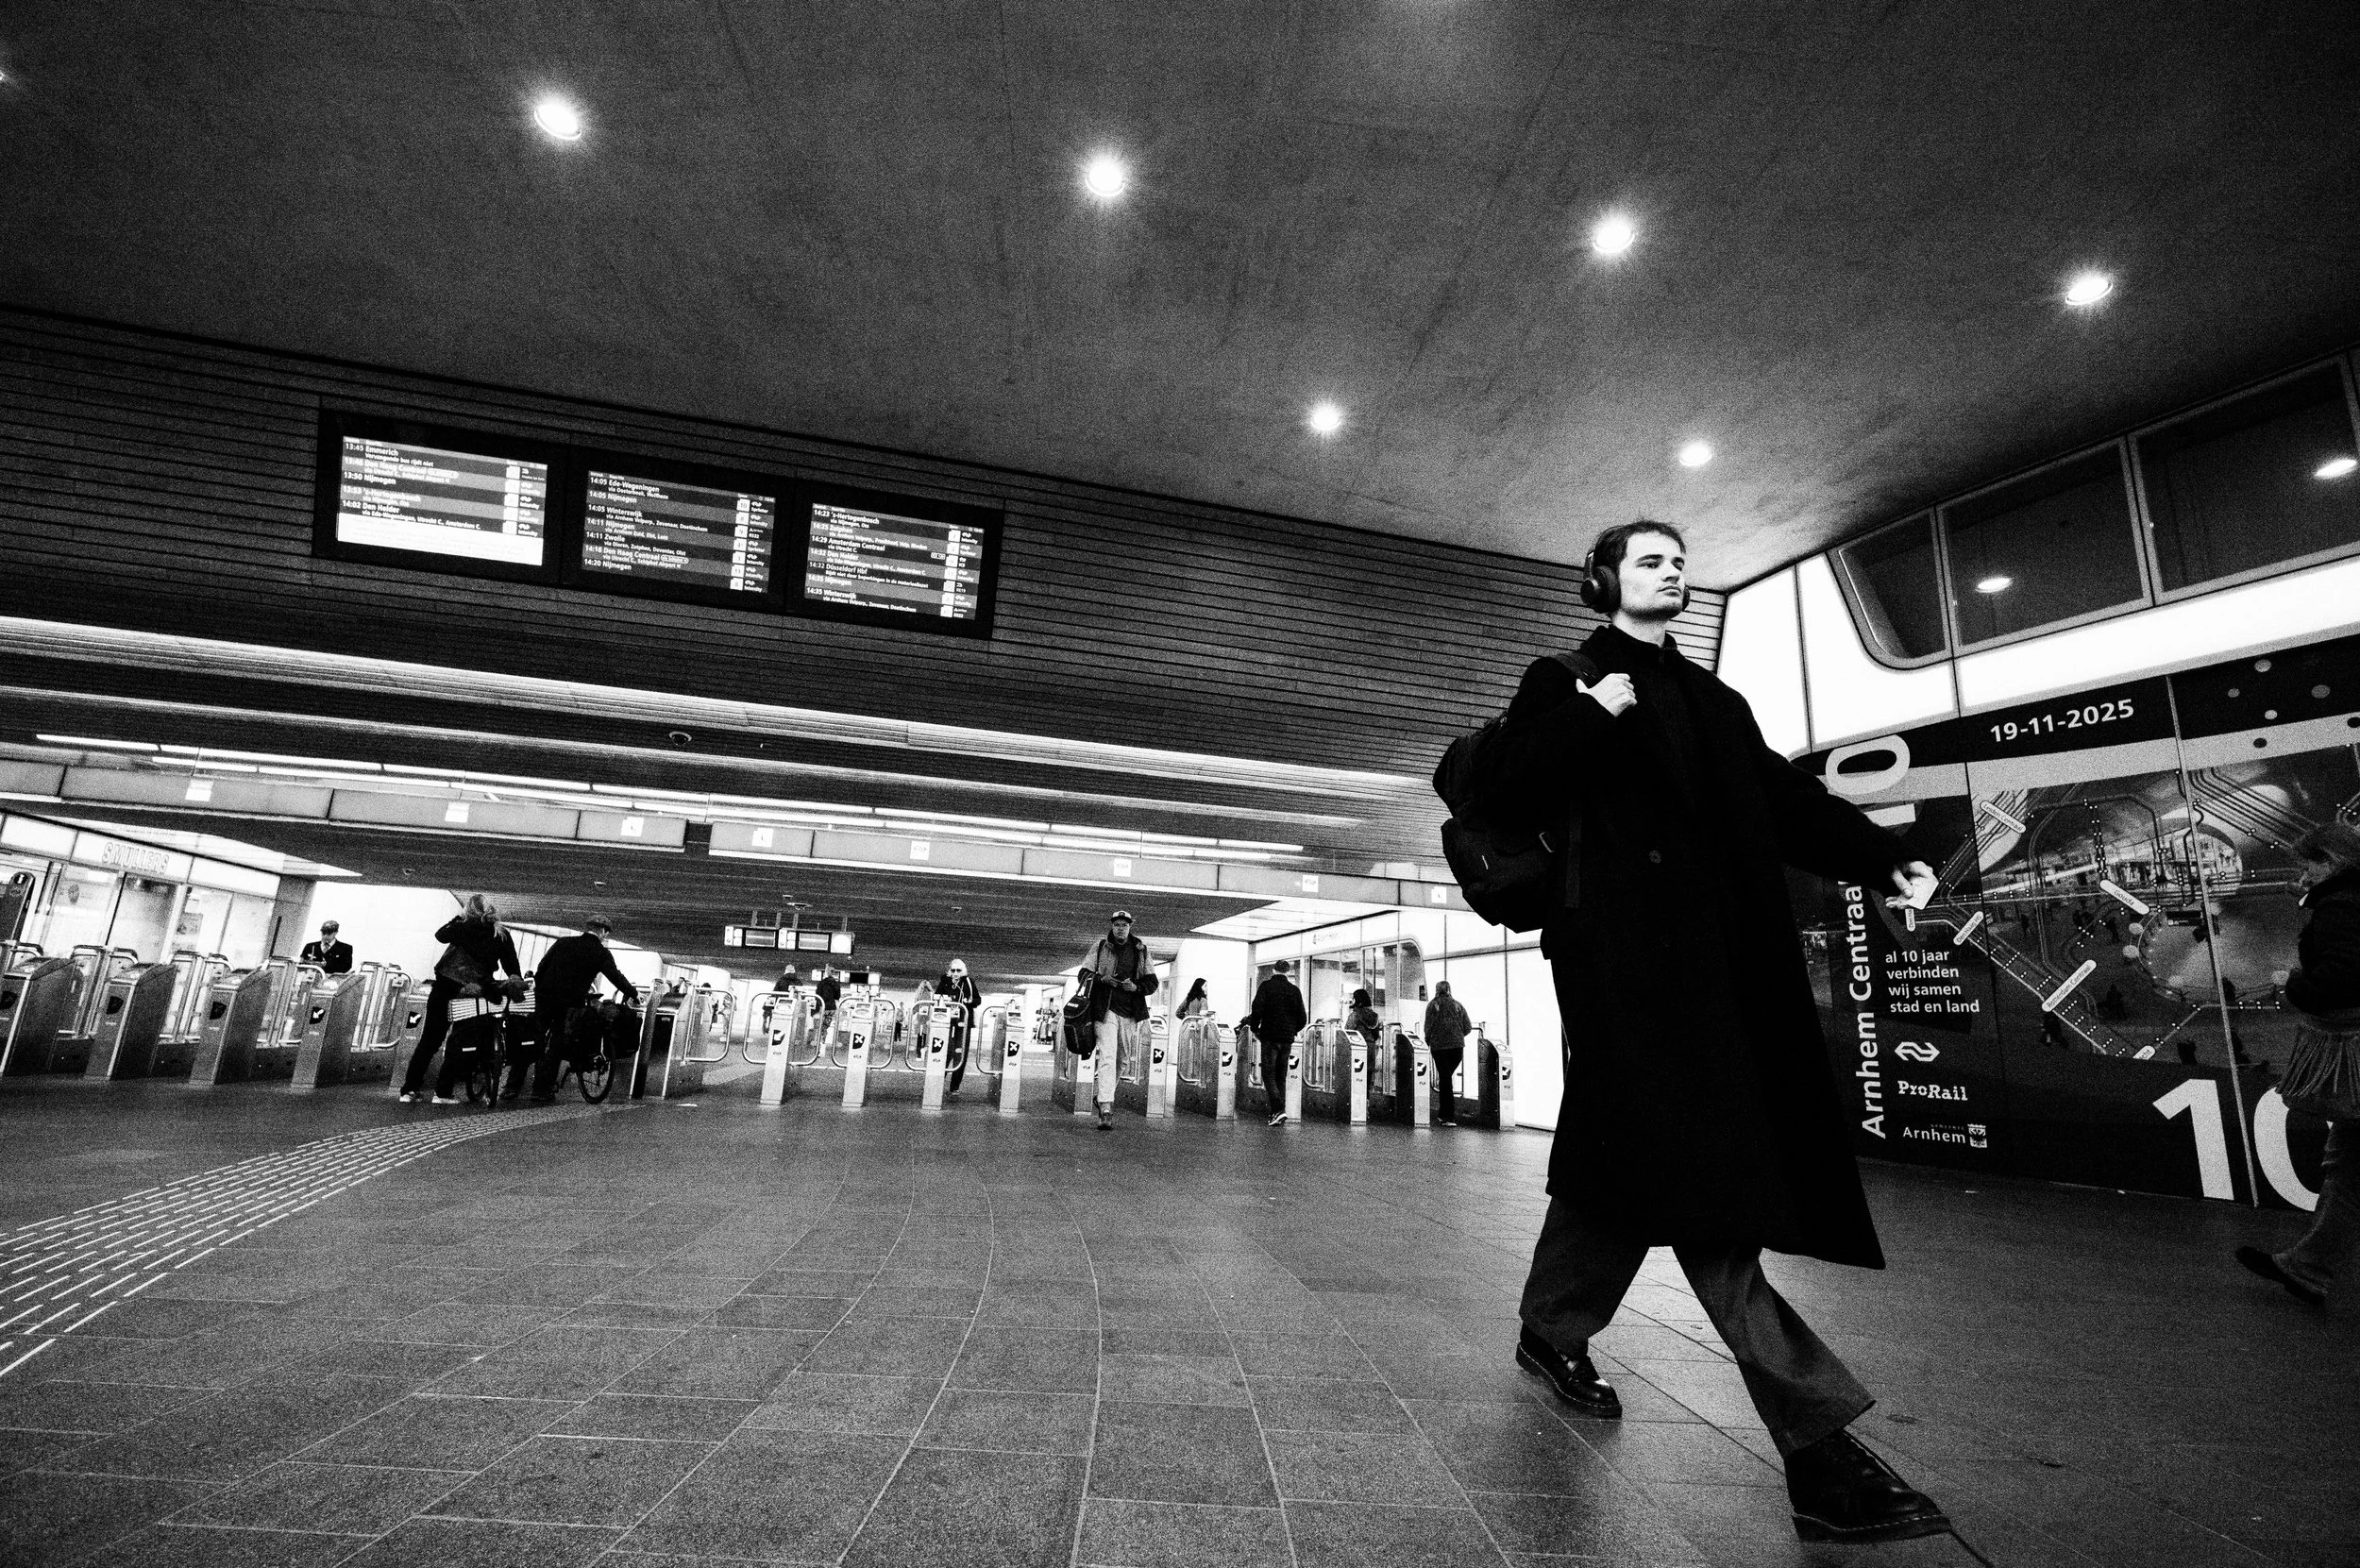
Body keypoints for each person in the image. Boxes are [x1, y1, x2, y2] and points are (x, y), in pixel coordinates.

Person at [1480, 519, 1949, 1545]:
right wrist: (1588, 718)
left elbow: (1784, 800)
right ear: (1601, 579)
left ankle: (1550, 1328)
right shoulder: (1565, 679)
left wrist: (1879, 856)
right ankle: (1816, 1443)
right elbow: (1504, 786)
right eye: (1650, 559)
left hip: (1718, 972)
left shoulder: (1715, 701)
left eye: (1679, 561)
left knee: (1627, 1157)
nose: (1672, 572)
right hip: (1623, 969)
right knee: (1703, 1181)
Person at [2238, 819, 2360, 1307]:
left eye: (2308, 866)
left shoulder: (2341, 907)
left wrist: (2291, 981)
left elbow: (2337, 983)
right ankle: (2308, 1267)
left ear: (2330, 861)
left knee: (2348, 1165)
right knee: (2348, 1165)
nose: (2303, 876)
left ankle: (2309, 1267)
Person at [399, 895, 522, 1104]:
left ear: (468, 911)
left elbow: (440, 935)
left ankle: (409, 1090)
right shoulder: (501, 934)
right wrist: (514, 981)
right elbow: (512, 967)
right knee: (461, 1041)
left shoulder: (461, 927)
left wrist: (458, 919)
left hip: (445, 988)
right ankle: (442, 1093)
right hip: (473, 993)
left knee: (429, 1041)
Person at [522, 917, 641, 1103]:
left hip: (544, 998)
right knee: (557, 1042)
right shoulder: (600, 952)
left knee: (533, 1038)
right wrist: (634, 994)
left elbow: (542, 966)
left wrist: (541, 987)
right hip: (569, 1004)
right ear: (603, 931)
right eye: (606, 933)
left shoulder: (563, 942)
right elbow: (615, 977)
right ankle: (541, 1090)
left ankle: (512, 1086)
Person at [1077, 911, 1157, 1130]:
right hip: (1105, 1010)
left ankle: (1102, 1096)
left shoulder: (1141, 949)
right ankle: (1106, 1108)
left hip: (1130, 1012)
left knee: (1122, 1061)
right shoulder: (1101, 947)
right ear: (1112, 926)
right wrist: (1102, 979)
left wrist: (1136, 987)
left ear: (1130, 927)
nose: (1120, 929)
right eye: (1117, 925)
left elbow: (1152, 982)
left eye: (1124, 925)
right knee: (1108, 1055)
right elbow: (1083, 974)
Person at [1242, 960, 1306, 1126]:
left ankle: (1278, 1109)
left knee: (1268, 1074)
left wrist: (1255, 1028)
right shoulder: (1295, 990)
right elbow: (1302, 1018)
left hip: (1270, 1037)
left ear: (1273, 970)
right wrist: (1292, 1030)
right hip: (1286, 1039)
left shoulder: (1266, 986)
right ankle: (1276, 1114)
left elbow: (1257, 1009)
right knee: (1281, 1077)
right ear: (1288, 972)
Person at [1424, 981, 1473, 1124]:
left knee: (1445, 1079)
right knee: (1446, 1078)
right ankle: (1444, 1114)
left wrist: (1428, 1040)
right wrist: (1457, 1036)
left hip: (1440, 1047)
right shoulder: (1458, 1005)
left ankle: (1447, 1116)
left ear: (1437, 990)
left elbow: (1428, 1026)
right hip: (1457, 1048)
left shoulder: (1433, 1005)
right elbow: (1468, 1027)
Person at [935, 958, 982, 1089]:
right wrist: (944, 1001)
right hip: (947, 1022)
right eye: (953, 970)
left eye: (958, 970)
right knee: (945, 1051)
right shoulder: (945, 982)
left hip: (964, 1023)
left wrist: (970, 1001)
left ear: (963, 971)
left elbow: (978, 1000)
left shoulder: (968, 982)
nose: (955, 973)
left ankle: (955, 1086)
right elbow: (936, 997)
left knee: (960, 1055)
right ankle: (937, 1080)